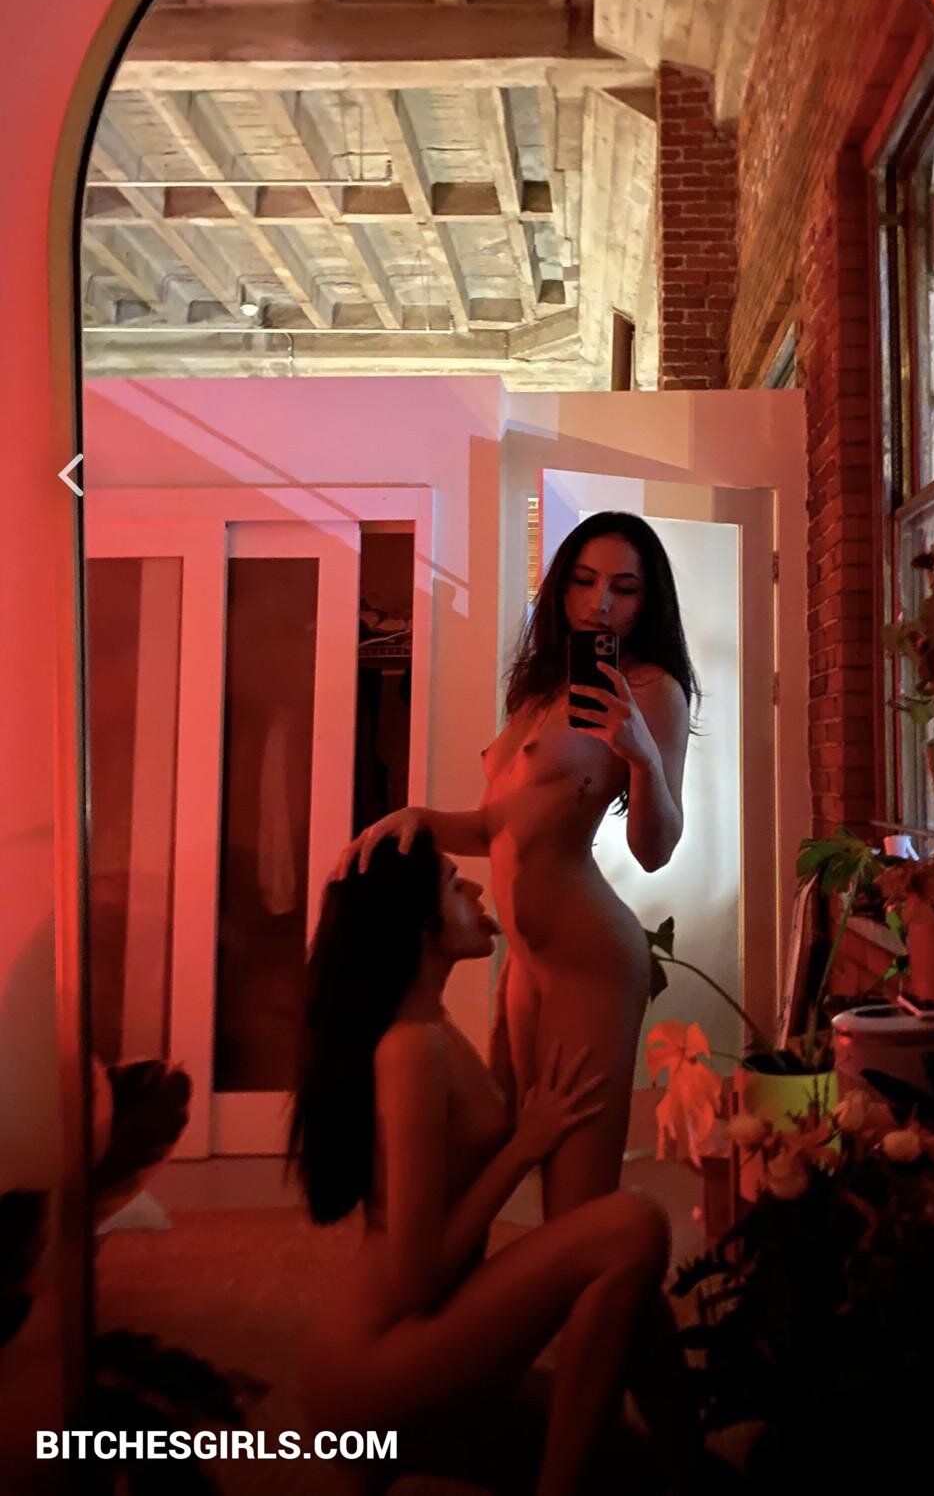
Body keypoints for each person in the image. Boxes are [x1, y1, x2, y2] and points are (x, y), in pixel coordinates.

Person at [289, 831, 679, 1496]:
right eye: (453, 884)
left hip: (413, 1337)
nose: (474, 891)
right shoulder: (411, 1048)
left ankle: (686, 1462)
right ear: (418, 923)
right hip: (376, 1365)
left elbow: (485, 1121)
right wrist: (525, 1148)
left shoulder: (433, 1025)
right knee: (632, 1224)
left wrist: (528, 979)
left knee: (626, 1461)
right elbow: (417, 1277)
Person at [332, 511, 698, 1220]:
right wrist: (413, 817)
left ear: (647, 601)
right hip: (526, 963)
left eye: (623, 589)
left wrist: (641, 757)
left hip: (592, 960)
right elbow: (495, 828)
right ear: (560, 589)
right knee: (493, 1152)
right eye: (585, 581)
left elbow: (655, 851)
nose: (600, 603)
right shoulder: (539, 692)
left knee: (577, 1200)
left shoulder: (653, 690)